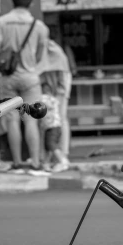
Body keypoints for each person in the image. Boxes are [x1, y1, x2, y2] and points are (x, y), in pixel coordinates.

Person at [0, 0, 50, 175]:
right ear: (31, 4)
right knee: (32, 120)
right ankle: (34, 162)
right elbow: (41, 54)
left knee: (12, 120)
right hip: (30, 77)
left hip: (8, 77)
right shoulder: (39, 26)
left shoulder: (3, 21)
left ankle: (17, 162)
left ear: (13, 2)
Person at [39, 39, 72, 169]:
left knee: (60, 119)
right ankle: (50, 157)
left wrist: (59, 93)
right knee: (53, 121)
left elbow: (62, 80)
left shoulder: (51, 50)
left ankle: (62, 156)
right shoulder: (49, 49)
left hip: (60, 85)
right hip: (54, 85)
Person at [38, 82, 66, 172]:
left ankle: (62, 161)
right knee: (48, 146)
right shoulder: (54, 99)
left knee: (51, 145)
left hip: (51, 126)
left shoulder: (43, 98)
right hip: (57, 126)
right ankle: (46, 163)